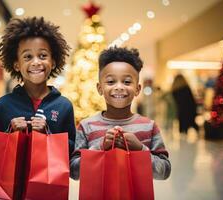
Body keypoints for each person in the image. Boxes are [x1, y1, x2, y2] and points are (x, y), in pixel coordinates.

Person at [70, 47, 171, 180]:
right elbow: (74, 172)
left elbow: (164, 172)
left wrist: (140, 149)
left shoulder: (149, 126)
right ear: (100, 88)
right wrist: (100, 147)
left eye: (127, 82)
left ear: (137, 89)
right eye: (111, 82)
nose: (119, 87)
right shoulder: (86, 126)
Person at [0, 17, 76, 156]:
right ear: (16, 65)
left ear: (53, 62)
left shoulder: (64, 106)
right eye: (28, 57)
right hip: (13, 178)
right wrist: (11, 133)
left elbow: (71, 151)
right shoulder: (3, 105)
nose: (36, 62)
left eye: (43, 55)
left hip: (50, 177)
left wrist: (47, 134)